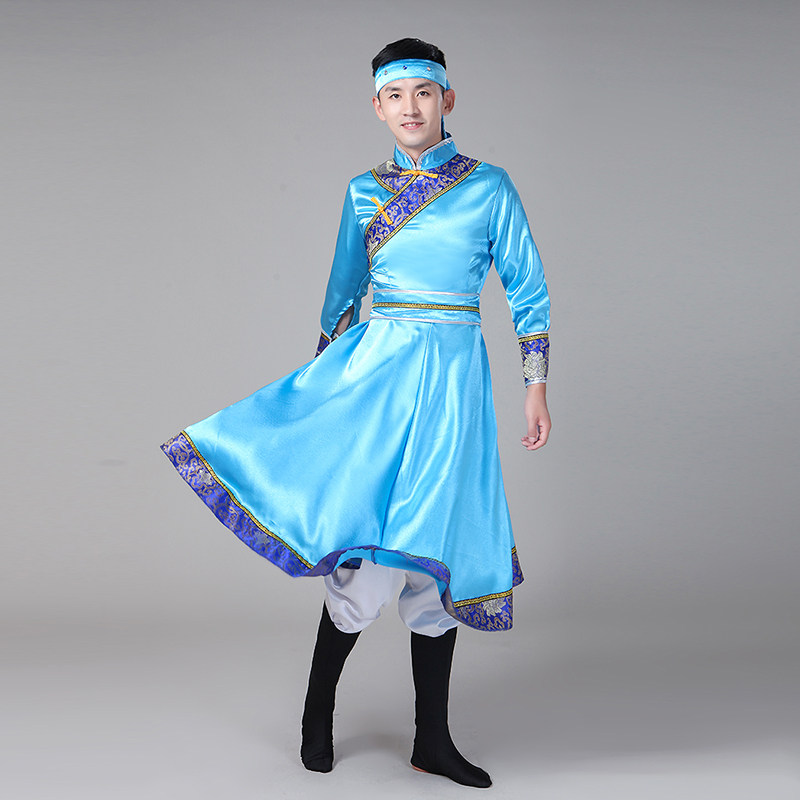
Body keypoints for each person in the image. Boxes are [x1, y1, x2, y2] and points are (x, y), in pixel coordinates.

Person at [160, 37, 551, 789]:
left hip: (455, 386)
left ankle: (432, 739)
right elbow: (342, 294)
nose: (411, 107)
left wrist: (535, 385)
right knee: (367, 568)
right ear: (377, 107)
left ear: (448, 100)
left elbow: (526, 287)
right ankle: (317, 714)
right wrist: (321, 398)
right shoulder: (363, 192)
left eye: (424, 93)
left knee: (436, 552)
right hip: (376, 383)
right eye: (395, 95)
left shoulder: (489, 187)